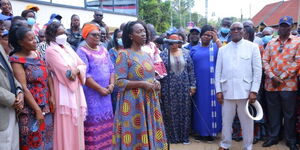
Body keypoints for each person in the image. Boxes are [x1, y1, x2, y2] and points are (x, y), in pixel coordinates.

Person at [112, 21, 168, 149]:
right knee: (134, 133)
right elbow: (119, 82)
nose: (143, 34)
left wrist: (156, 82)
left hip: (149, 101)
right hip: (133, 103)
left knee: (150, 130)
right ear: (130, 36)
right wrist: (142, 84)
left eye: (144, 31)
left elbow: (150, 76)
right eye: (139, 32)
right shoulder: (124, 54)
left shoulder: (147, 55)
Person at [216, 22, 262, 150]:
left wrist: (254, 91)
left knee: (247, 123)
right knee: (226, 122)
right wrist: (218, 91)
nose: (236, 31)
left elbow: (257, 71)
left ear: (243, 31)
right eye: (233, 29)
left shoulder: (252, 47)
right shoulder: (223, 49)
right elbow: (217, 72)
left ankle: (248, 146)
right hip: (226, 91)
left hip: (246, 92)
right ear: (230, 32)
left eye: (239, 29)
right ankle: (225, 144)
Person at [9, 25, 54, 150]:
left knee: (48, 142)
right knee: (32, 143)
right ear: (20, 42)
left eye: (34, 38)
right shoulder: (16, 60)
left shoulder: (37, 53)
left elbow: (48, 76)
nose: (35, 41)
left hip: (46, 105)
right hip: (31, 109)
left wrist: (52, 98)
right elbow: (23, 87)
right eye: (30, 39)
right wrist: (37, 110)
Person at [45, 22, 87, 150]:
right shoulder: (51, 50)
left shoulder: (68, 48)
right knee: (66, 124)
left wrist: (76, 70)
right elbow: (65, 72)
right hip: (63, 90)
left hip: (76, 92)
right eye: (60, 33)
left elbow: (81, 65)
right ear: (52, 35)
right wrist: (75, 70)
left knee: (77, 125)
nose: (63, 35)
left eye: (64, 33)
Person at [262, 16, 299, 150]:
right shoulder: (271, 43)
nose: (283, 28)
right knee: (273, 113)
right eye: (281, 26)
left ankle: (290, 140)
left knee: (289, 114)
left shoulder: (297, 42)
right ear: (278, 27)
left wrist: (281, 78)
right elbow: (264, 60)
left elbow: (297, 62)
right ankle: (273, 137)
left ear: (291, 27)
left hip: (289, 86)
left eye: (286, 26)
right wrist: (272, 76)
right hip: (271, 85)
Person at [76, 23, 115, 150]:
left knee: (107, 124)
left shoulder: (104, 49)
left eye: (99, 34)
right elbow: (85, 75)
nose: (98, 37)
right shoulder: (82, 51)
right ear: (86, 35)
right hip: (92, 95)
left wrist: (112, 84)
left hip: (106, 94)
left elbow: (111, 69)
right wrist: (100, 89)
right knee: (93, 125)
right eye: (94, 34)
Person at [159, 33, 196, 144]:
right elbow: (160, 73)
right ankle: (172, 137)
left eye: (175, 41)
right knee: (170, 112)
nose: (173, 43)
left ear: (179, 42)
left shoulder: (186, 53)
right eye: (171, 41)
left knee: (185, 111)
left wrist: (193, 86)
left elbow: (191, 70)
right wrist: (160, 89)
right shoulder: (163, 55)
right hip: (168, 88)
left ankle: (184, 137)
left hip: (184, 87)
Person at [190, 25, 222, 141]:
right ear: (200, 35)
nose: (207, 37)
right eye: (205, 35)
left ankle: (212, 132)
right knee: (201, 107)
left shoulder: (216, 48)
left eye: (209, 35)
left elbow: (224, 53)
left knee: (213, 107)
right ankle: (201, 132)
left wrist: (216, 39)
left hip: (213, 84)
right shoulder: (194, 49)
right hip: (199, 84)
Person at [0, 27, 24, 150]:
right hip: (5, 107)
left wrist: (19, 91)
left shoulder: (1, 48)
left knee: (12, 145)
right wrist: (13, 99)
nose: (2, 28)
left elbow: (10, 74)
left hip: (12, 108)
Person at [108, 28, 123, 112]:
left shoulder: (128, 50)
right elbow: (113, 67)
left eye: (122, 37)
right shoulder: (112, 51)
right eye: (119, 37)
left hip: (128, 83)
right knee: (117, 107)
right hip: (117, 83)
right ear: (115, 38)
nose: (121, 39)